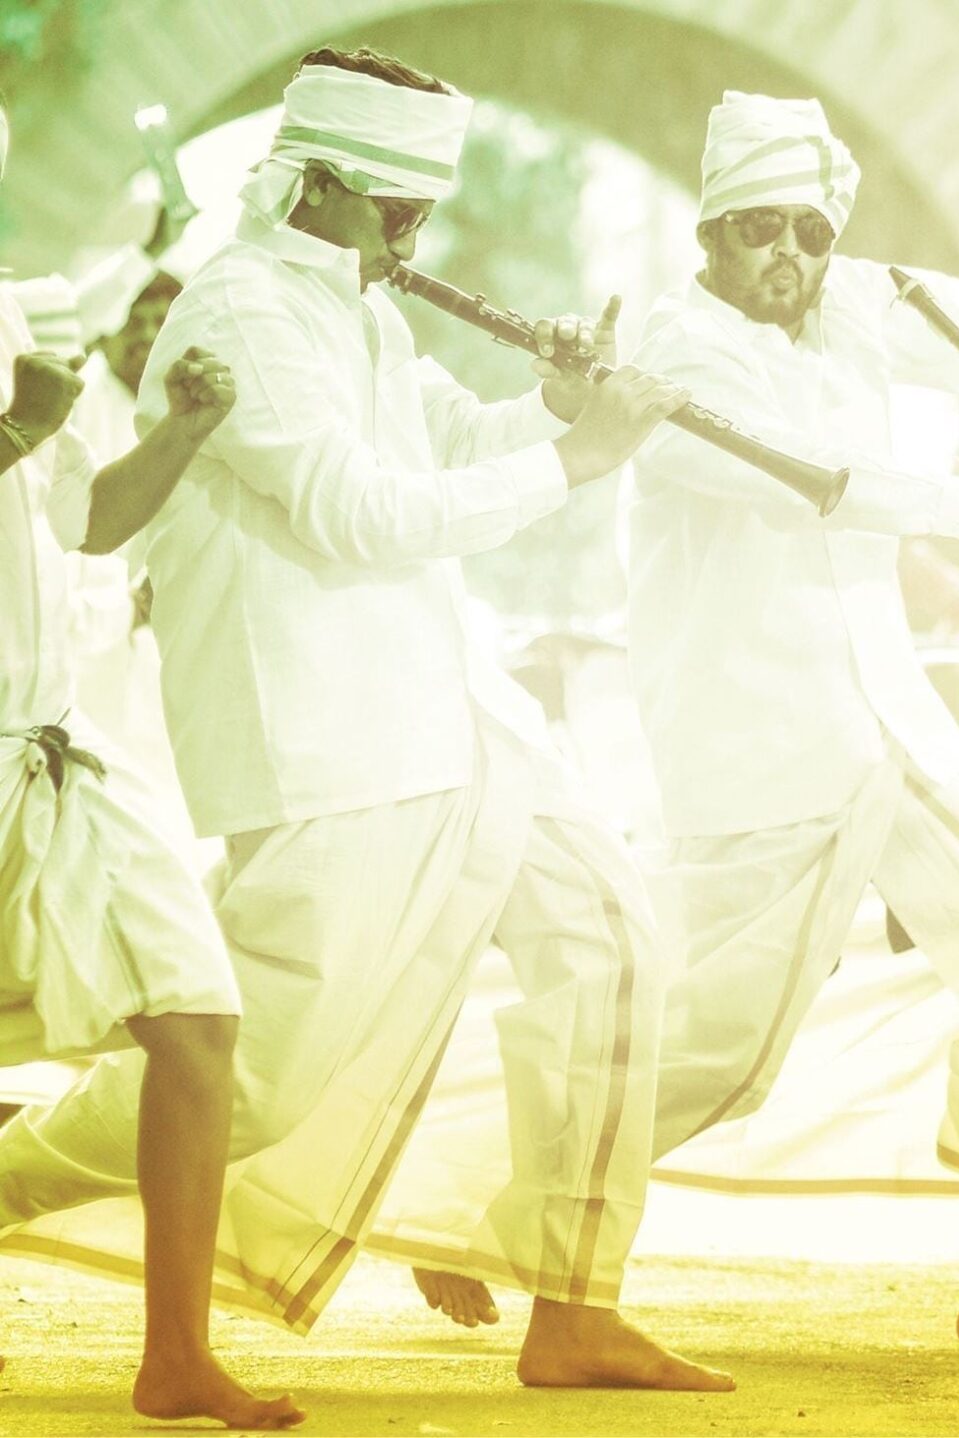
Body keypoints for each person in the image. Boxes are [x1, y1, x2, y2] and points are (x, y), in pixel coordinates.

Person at [0, 47, 728, 1393]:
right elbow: (356, 511)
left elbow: (443, 438)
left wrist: (553, 405)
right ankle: (11, 1172)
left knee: (610, 937)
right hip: (322, 737)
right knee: (257, 1085)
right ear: (317, 184)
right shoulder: (239, 308)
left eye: (424, 215)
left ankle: (572, 1297)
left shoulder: (362, 311)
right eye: (397, 213)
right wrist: (581, 457)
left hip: (453, 703)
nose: (414, 240)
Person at [389, 89, 959, 1344]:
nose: (788, 254)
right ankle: (477, 1207)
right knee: (715, 1049)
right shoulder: (671, 357)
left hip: (893, 721)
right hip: (761, 740)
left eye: (808, 231)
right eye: (758, 229)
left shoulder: (859, 302)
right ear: (710, 235)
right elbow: (808, 480)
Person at [0, 97, 301, 1432]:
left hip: (53, 751)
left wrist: (177, 429)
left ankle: (175, 1357)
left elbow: (85, 519)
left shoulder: (22, 311)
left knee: (197, 1018)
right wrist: (17, 430)